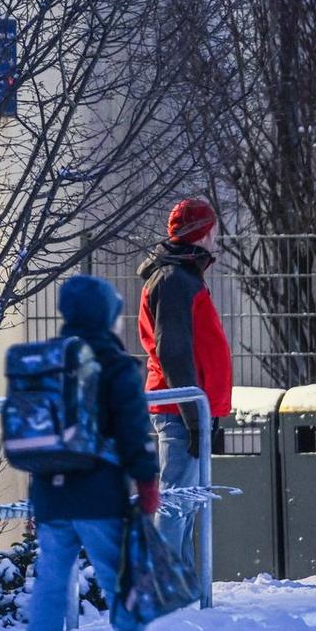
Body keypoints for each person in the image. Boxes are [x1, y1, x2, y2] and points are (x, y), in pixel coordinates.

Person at [24, 275, 173, 631]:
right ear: (105, 315)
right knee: (118, 580)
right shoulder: (114, 363)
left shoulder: (46, 360)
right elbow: (132, 431)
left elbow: (36, 433)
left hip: (51, 494)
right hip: (98, 495)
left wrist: (37, 495)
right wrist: (147, 482)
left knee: (51, 584)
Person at [137, 197, 232, 566]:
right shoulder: (176, 280)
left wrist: (205, 411)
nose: (217, 238)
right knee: (177, 501)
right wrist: (194, 413)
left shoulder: (183, 277)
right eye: (213, 231)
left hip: (186, 406)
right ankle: (165, 586)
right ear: (202, 234)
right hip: (180, 407)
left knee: (185, 502)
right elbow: (173, 350)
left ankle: (184, 586)